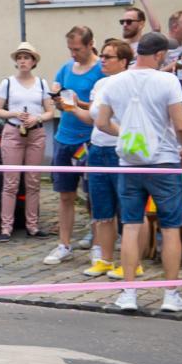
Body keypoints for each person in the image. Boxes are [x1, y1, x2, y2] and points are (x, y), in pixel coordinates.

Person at [93, 32, 182, 313]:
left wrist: (125, 134)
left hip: (129, 162)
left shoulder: (115, 81)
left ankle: (128, 292)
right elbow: (181, 125)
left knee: (131, 225)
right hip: (164, 161)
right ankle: (170, 295)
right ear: (160, 54)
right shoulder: (167, 80)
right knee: (171, 227)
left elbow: (101, 122)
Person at [58, 40, 132, 279]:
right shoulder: (100, 84)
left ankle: (132, 262)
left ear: (123, 61)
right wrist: (70, 108)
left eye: (109, 57)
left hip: (118, 149)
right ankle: (106, 259)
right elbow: (92, 118)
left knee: (127, 209)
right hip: (97, 148)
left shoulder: (129, 82)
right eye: (102, 56)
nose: (103, 60)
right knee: (101, 208)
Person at [43, 26, 103, 266]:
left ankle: (99, 245)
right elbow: (60, 99)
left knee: (94, 196)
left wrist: (80, 104)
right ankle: (63, 244)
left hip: (88, 139)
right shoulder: (66, 69)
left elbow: (101, 108)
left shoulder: (101, 70)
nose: (73, 54)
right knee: (65, 195)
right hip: (64, 138)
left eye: (77, 49)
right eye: (70, 49)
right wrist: (58, 101)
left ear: (90, 45)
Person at [0, 41, 53, 241]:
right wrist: (14, 113)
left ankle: (32, 225)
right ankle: (6, 227)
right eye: (19, 58)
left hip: (35, 133)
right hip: (13, 132)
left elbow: (50, 112)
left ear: (33, 61)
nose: (23, 61)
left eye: (26, 57)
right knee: (11, 182)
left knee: (33, 181)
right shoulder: (8, 83)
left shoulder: (41, 83)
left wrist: (38, 118)